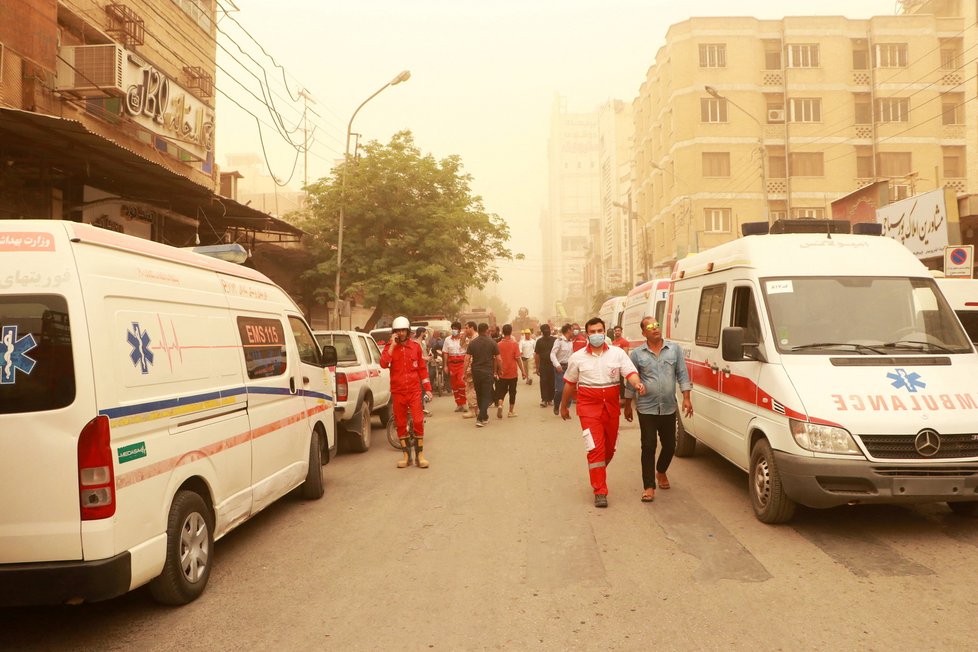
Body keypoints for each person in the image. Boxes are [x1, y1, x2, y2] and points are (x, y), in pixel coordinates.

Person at [560, 317, 645, 508]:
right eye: (592, 332)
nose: (596, 335)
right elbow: (569, 384)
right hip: (588, 409)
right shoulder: (578, 357)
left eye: (600, 331)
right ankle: (600, 490)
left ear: (604, 332)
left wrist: (637, 383)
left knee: (609, 449)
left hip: (611, 408)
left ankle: (597, 471)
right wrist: (563, 406)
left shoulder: (617, 354)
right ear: (587, 334)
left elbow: (629, 372)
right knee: (595, 449)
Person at [624, 316, 693, 503]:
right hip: (646, 407)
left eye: (657, 325)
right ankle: (648, 486)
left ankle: (661, 471)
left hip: (669, 407)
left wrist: (686, 398)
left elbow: (682, 374)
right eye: (650, 327)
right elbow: (631, 380)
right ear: (644, 333)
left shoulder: (674, 350)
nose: (655, 329)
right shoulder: (637, 354)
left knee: (670, 445)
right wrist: (627, 405)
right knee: (648, 446)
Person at [380, 316, 433, 469]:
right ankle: (406, 457)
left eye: (403, 330)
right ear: (394, 332)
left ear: (408, 331)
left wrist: (428, 389)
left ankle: (420, 456)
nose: (401, 333)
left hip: (414, 391)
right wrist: (392, 345)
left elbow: (422, 370)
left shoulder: (415, 347)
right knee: (401, 423)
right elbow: (383, 363)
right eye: (398, 331)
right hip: (398, 392)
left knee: (417, 421)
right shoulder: (389, 347)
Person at [465, 322, 500, 427]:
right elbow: (498, 358)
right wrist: (500, 370)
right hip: (487, 372)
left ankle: (484, 417)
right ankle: (480, 418)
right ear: (486, 330)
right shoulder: (492, 342)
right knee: (486, 395)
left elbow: (467, 359)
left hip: (476, 372)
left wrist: (464, 372)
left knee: (479, 394)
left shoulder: (472, 343)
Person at [494, 324, 525, 418]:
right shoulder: (514, 344)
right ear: (511, 332)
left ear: (502, 332)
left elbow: (496, 359)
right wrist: (523, 371)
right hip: (512, 373)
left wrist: (495, 371)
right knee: (512, 392)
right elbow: (518, 359)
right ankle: (511, 411)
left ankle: (500, 404)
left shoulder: (498, 345)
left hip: (502, 372)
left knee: (501, 391)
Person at [442, 321, 468, 412]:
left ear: (459, 330)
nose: (454, 330)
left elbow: (468, 350)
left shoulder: (464, 339)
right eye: (452, 329)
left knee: (461, 383)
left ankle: (464, 403)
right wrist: (445, 365)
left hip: (462, 364)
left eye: (456, 329)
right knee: (454, 385)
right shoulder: (447, 340)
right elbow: (445, 353)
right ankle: (458, 404)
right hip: (452, 364)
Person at [549, 323, 574, 415]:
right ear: (568, 330)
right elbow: (552, 354)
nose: (573, 332)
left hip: (569, 368)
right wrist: (557, 365)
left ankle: (566, 409)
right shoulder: (558, 341)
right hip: (560, 368)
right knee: (560, 390)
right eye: (572, 330)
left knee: (569, 390)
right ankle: (556, 405)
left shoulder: (571, 342)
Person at [534, 324, 556, 407]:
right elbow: (537, 355)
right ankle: (544, 400)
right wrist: (537, 367)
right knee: (543, 382)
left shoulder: (555, 340)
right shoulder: (539, 341)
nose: (547, 331)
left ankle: (550, 399)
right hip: (543, 366)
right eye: (545, 330)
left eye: (547, 329)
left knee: (552, 383)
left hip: (553, 365)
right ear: (542, 332)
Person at [461, 321, 479, 419]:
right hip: (474, 366)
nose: (465, 330)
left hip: (472, 366)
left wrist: (466, 370)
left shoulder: (475, 339)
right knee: (474, 389)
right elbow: (462, 345)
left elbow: (469, 357)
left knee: (470, 389)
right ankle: (476, 409)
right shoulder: (471, 339)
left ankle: (472, 410)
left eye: (467, 328)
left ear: (472, 328)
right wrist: (464, 336)